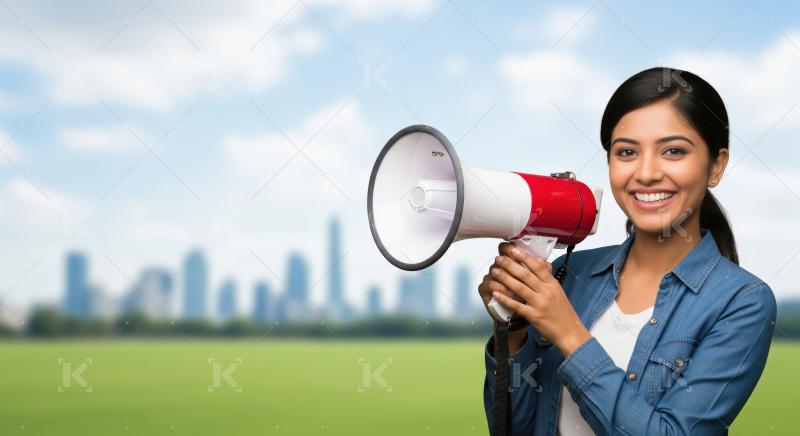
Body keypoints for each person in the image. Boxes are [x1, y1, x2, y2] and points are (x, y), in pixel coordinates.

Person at [478, 67, 777, 435]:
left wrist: (569, 334)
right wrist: (513, 332)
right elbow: (512, 430)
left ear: (716, 166)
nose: (646, 173)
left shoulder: (743, 302)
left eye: (673, 151)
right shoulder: (569, 272)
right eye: (627, 152)